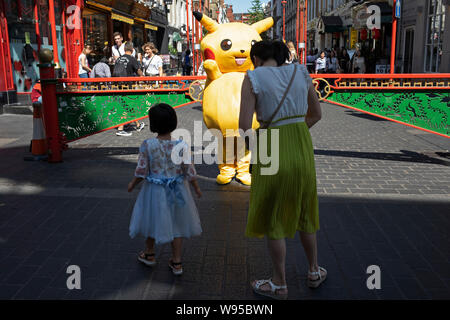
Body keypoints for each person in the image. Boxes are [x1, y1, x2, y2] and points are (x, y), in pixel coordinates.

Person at [239, 40, 325, 300]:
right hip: (300, 143)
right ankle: (313, 271)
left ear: (256, 58)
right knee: (306, 210)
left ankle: (279, 283)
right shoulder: (301, 72)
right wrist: (294, 131)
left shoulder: (253, 77)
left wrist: (261, 148)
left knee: (275, 216)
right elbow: (317, 114)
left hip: (269, 144)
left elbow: (244, 126)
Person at [128, 103, 202, 275]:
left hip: (154, 190)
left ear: (153, 123)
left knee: (152, 219)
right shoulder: (182, 145)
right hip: (178, 190)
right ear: (173, 122)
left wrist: (132, 184)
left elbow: (141, 170)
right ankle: (176, 262)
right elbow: (189, 170)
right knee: (177, 224)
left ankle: (150, 254)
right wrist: (196, 188)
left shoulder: (148, 144)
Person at [113, 42, 144, 136]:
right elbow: (139, 72)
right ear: (132, 49)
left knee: (127, 105)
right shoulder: (132, 59)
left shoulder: (118, 59)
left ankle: (137, 124)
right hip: (128, 85)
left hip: (118, 85)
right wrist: (142, 77)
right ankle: (120, 128)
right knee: (127, 105)